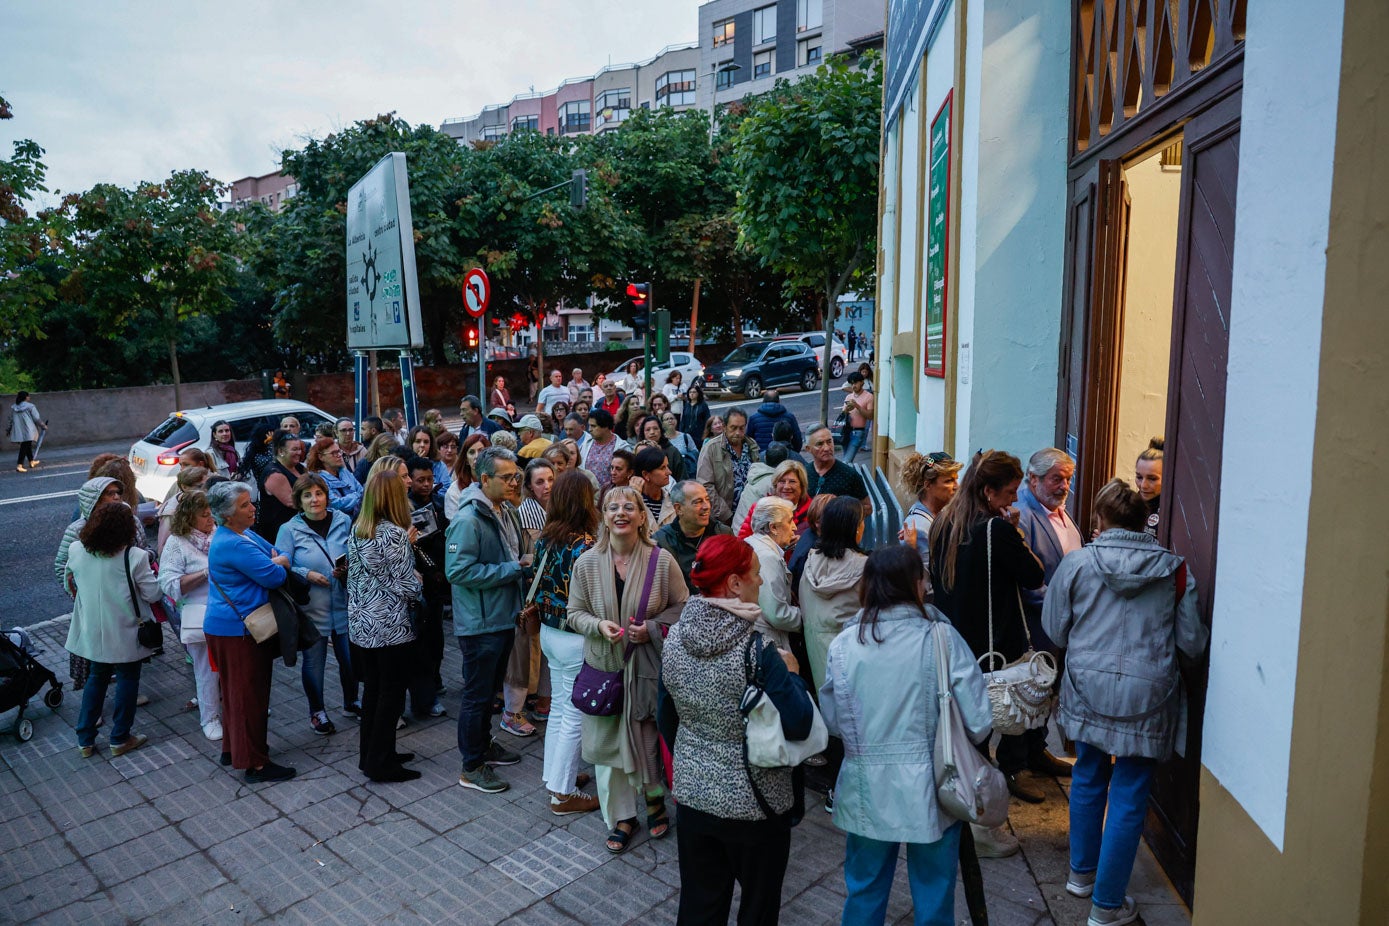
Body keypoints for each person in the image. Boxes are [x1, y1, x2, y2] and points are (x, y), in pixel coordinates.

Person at [1043, 479, 1209, 926]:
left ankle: (1081, 875)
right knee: (1131, 790)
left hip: (1088, 686)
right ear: (1142, 522)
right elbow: (1192, 641)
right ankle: (1107, 904)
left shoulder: (1078, 564)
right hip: (1148, 694)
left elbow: (1055, 629)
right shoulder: (1175, 570)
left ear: (1101, 520)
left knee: (1089, 774)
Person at [821, 545, 991, 926]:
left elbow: (833, 721)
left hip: (865, 786)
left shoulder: (844, 644)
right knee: (933, 893)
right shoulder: (942, 638)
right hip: (933, 785)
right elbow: (979, 721)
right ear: (917, 584)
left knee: (864, 889)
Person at [658, 534, 814, 924]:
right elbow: (799, 723)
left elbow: (665, 714)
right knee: (758, 908)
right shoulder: (759, 652)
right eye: (756, 575)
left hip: (693, 795)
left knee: (699, 904)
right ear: (733, 583)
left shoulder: (674, 637)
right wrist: (793, 675)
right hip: (756, 805)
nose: (761, 582)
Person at [566, 486, 689, 853]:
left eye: (628, 507)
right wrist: (598, 626)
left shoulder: (661, 561)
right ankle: (621, 816)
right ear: (603, 517)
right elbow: (574, 614)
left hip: (645, 669)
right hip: (604, 670)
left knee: (647, 742)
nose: (620, 513)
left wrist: (651, 628)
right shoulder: (586, 563)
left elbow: (683, 606)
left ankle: (654, 801)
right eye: (612, 507)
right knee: (607, 752)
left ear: (641, 516)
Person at [928, 451, 1046, 818]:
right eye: (1010, 492)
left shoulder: (944, 522)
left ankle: (968, 781)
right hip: (996, 643)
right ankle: (1007, 775)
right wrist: (1017, 532)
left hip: (958, 640)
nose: (1014, 499)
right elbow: (1034, 575)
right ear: (988, 491)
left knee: (969, 721)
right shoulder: (995, 529)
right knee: (1006, 711)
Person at [204, 481, 298, 783]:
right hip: (239, 630)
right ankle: (255, 763)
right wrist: (279, 562)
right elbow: (274, 573)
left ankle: (234, 749)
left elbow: (275, 551)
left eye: (250, 502)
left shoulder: (237, 534)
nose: (253, 508)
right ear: (228, 515)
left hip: (229, 627)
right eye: (245, 505)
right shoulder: (233, 542)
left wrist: (277, 559)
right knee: (249, 696)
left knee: (235, 693)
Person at [446, 447, 529, 794]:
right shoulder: (468, 519)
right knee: (477, 697)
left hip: (500, 617)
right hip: (480, 624)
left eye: (516, 476)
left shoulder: (502, 510)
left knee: (489, 693)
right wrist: (513, 569)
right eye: (507, 477)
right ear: (484, 480)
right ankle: (471, 766)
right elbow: (457, 570)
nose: (514, 483)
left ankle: (484, 747)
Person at [65, 501, 161, 758]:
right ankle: (120, 737)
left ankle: (85, 740)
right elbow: (153, 594)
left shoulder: (76, 550)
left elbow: (69, 583)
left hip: (92, 630)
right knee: (128, 680)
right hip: (127, 631)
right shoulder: (135, 556)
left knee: (96, 679)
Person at [347, 470, 424, 783]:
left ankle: (374, 754)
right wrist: (418, 584)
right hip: (390, 626)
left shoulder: (359, 529)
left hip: (363, 624)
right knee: (390, 696)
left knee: (373, 693)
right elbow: (406, 583)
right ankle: (381, 763)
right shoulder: (393, 533)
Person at [532, 470, 602, 815]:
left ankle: (558, 778)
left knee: (560, 709)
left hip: (548, 632)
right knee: (573, 715)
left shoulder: (546, 538)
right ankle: (562, 793)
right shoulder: (587, 546)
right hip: (575, 636)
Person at [1013, 448, 1083, 783]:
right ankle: (1018, 764)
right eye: (1057, 478)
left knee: (1046, 693)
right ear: (1034, 478)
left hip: (1063, 623)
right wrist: (1059, 609)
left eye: (1068, 479)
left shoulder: (1059, 510)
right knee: (1030, 693)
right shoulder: (1023, 514)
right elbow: (1024, 579)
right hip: (1038, 623)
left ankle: (1036, 750)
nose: (1064, 486)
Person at [277, 473, 357, 736]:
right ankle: (317, 712)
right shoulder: (289, 529)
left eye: (319, 493)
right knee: (314, 662)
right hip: (312, 607)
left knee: (351, 659)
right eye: (307, 495)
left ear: (326, 495)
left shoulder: (344, 520)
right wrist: (306, 574)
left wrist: (346, 568)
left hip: (345, 604)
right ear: (299, 500)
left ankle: (351, 702)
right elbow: (282, 567)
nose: (315, 500)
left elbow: (356, 554)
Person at [159, 490, 222, 740]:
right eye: (204, 515)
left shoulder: (219, 534)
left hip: (230, 611)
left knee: (235, 664)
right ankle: (210, 718)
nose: (211, 520)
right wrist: (205, 574)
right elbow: (169, 584)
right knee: (206, 670)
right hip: (200, 614)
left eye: (212, 515)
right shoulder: (177, 542)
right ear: (188, 517)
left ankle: (237, 705)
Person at [799, 496, 869, 693]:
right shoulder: (865, 568)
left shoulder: (810, 562)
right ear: (855, 528)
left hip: (818, 658)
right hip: (854, 661)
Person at [405, 456, 450, 721]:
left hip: (437, 579)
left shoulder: (438, 502)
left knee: (436, 638)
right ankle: (424, 696)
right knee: (421, 642)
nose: (425, 485)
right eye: (419, 480)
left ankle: (435, 679)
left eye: (429, 479)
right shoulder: (404, 506)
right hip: (417, 582)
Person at [745, 497, 802, 649]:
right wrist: (806, 618)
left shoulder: (753, 543)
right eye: (790, 521)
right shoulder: (767, 557)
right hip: (769, 641)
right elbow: (778, 614)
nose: (795, 527)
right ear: (774, 528)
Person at [655, 480, 733, 588]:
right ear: (678, 509)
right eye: (698, 502)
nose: (706, 506)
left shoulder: (723, 534)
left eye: (707, 499)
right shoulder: (662, 542)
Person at [899, 451, 963, 576]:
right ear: (928, 485)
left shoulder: (942, 512)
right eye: (949, 481)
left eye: (956, 480)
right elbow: (925, 582)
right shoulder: (920, 528)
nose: (957, 486)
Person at [696, 408, 761, 526]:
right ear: (725, 427)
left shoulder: (752, 445)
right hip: (725, 519)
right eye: (733, 428)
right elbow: (705, 485)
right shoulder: (711, 448)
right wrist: (726, 515)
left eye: (742, 428)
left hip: (752, 516)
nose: (738, 432)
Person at [804, 425, 871, 515]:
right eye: (819, 444)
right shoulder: (803, 473)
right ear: (808, 449)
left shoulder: (849, 475)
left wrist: (842, 514)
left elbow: (867, 507)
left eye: (829, 442)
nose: (827, 448)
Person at [738, 459, 811, 540]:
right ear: (775, 485)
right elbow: (743, 541)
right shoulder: (760, 508)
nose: (786, 486)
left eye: (792, 481)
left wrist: (801, 543)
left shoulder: (812, 512)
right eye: (782, 481)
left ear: (802, 485)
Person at [254, 430, 306, 542]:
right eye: (294, 449)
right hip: (279, 533)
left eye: (299, 449)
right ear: (281, 451)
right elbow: (292, 502)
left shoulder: (299, 467)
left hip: (298, 528)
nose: (299, 453)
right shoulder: (274, 474)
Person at [732, 442, 790, 532]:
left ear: (765, 458)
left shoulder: (755, 473)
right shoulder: (776, 484)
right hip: (748, 535)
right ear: (785, 462)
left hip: (736, 528)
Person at [306, 435, 364, 517]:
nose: (339, 455)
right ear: (321, 457)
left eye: (339, 451)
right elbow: (336, 504)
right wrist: (356, 495)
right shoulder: (317, 478)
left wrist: (354, 497)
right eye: (334, 453)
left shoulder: (344, 472)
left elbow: (363, 492)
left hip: (357, 517)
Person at [445, 433, 492, 518]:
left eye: (481, 451)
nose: (477, 456)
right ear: (466, 460)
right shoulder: (454, 491)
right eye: (471, 452)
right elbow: (456, 525)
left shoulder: (496, 482)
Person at [583, 409, 629, 493]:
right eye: (589, 426)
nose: (589, 429)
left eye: (593, 426)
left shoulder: (622, 447)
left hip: (612, 494)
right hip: (588, 495)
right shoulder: (586, 444)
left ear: (605, 426)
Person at [630, 446, 676, 529]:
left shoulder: (672, 500)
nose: (669, 472)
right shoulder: (633, 501)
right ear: (646, 474)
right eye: (663, 468)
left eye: (667, 466)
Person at [635, 414, 685, 481]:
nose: (652, 432)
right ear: (643, 433)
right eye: (648, 429)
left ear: (661, 431)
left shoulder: (672, 452)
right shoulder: (639, 451)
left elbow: (682, 477)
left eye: (655, 428)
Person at [840, 373, 875, 464]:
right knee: (847, 460)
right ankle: (851, 477)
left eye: (855, 383)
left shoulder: (869, 397)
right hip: (846, 431)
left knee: (846, 461)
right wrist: (847, 409)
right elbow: (842, 414)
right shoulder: (849, 396)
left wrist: (857, 406)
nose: (853, 386)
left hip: (858, 432)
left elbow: (870, 416)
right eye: (851, 384)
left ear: (862, 383)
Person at [7, 391, 45, 472]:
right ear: (26, 397)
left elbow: (11, 420)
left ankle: (31, 461)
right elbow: (36, 418)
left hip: (19, 430)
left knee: (27, 445)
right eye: (28, 396)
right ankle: (19, 465)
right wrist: (43, 425)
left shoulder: (14, 407)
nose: (29, 398)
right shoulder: (30, 406)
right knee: (24, 446)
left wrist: (9, 429)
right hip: (29, 429)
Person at [518, 459, 554, 544]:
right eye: (540, 482)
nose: (547, 486)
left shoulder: (562, 506)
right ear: (529, 485)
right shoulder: (524, 514)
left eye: (551, 479)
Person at [1135, 438, 1164, 537]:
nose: (1143, 485)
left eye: (1152, 479)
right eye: (1139, 477)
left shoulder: (1175, 512)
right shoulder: (1128, 503)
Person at [662, 411, 699, 478]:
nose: (670, 421)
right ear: (662, 423)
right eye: (667, 419)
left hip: (687, 473)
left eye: (672, 418)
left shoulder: (686, 437)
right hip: (669, 475)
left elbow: (695, 453)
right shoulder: (662, 440)